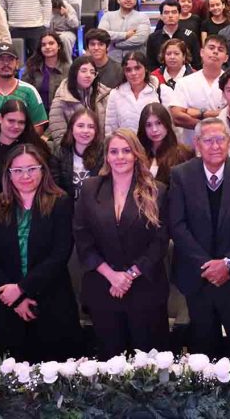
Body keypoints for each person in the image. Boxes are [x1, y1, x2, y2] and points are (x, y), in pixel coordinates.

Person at [0, 143, 81, 362]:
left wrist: (22, 289)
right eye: (18, 170)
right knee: (12, 371)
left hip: (52, 300)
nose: (25, 176)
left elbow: (60, 253)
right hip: (8, 303)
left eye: (32, 169)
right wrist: (14, 298)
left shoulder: (61, 202)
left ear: (43, 170)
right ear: (8, 173)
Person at [73, 128, 170, 358]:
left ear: (136, 154)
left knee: (148, 365)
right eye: (114, 151)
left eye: (126, 151)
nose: (120, 157)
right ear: (106, 156)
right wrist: (112, 276)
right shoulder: (90, 188)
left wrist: (129, 275)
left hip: (144, 288)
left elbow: (160, 241)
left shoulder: (157, 190)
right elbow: (82, 238)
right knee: (109, 363)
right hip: (103, 288)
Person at [168, 118, 230, 357]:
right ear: (197, 144)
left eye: (220, 139)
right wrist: (208, 265)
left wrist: (227, 263)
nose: (215, 146)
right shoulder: (180, 175)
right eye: (208, 140)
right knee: (203, 352)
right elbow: (177, 226)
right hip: (197, 277)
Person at [168, 36, 230, 145]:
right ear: (202, 52)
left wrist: (194, 113)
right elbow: (177, 117)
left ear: (226, 58)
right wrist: (212, 116)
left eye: (220, 50)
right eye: (211, 48)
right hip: (191, 148)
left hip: (223, 147)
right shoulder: (184, 83)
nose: (215, 52)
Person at [47, 56, 110, 143]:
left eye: (92, 72)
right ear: (74, 73)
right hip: (72, 149)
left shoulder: (105, 95)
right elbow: (60, 139)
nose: (88, 75)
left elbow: (110, 131)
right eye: (83, 71)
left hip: (101, 148)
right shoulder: (61, 100)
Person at [52, 107, 105, 199]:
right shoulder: (59, 154)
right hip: (67, 205)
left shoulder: (103, 154)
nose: (85, 131)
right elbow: (55, 188)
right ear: (71, 128)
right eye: (80, 126)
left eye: (91, 127)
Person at [104, 51, 160, 135]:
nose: (133, 73)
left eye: (137, 68)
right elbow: (110, 129)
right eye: (128, 70)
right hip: (124, 142)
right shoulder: (115, 94)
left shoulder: (158, 91)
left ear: (145, 68)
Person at [138, 103, 195, 185]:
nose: (154, 129)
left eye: (158, 123)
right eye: (148, 125)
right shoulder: (138, 154)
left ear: (167, 123)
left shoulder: (184, 153)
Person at [98, 0, 151, 64]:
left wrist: (116, 44)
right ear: (118, 0)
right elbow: (102, 35)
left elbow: (140, 39)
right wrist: (125, 35)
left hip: (136, 62)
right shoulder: (108, 16)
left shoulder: (143, 17)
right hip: (113, 61)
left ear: (136, 1)